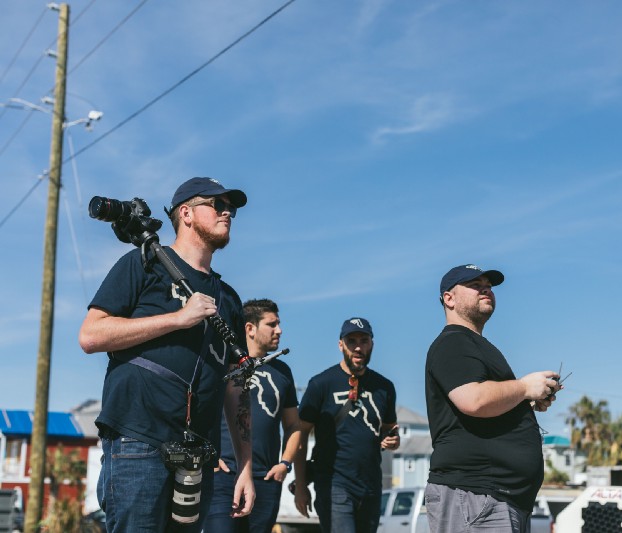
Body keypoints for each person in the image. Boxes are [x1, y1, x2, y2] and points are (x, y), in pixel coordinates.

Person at [79, 177, 255, 532]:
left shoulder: (229, 299)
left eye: (231, 209)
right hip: (138, 440)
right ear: (186, 213)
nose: (227, 213)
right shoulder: (142, 265)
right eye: (218, 205)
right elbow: (91, 335)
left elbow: (236, 388)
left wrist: (245, 467)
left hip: (197, 455)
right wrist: (178, 319)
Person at [424, 264, 562, 533]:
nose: (485, 290)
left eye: (488, 286)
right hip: (476, 495)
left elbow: (485, 400)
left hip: (495, 499)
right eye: (475, 285)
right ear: (449, 299)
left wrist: (525, 403)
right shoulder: (453, 342)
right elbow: (474, 399)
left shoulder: (477, 345)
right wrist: (524, 387)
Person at [293, 317, 400, 533]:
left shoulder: (385, 387)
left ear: (372, 344)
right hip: (334, 484)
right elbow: (300, 435)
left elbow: (389, 431)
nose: (358, 347)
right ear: (341, 345)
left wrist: (393, 441)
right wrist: (301, 486)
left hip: (371, 486)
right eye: (352, 341)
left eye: (364, 341)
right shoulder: (321, 384)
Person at [205, 298, 302, 532]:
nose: (279, 330)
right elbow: (198, 408)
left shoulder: (283, 371)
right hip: (224, 474)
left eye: (278, 324)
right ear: (250, 328)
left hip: (266, 479)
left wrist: (284, 464)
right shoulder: (223, 363)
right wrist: (209, 456)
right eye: (272, 324)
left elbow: (294, 425)